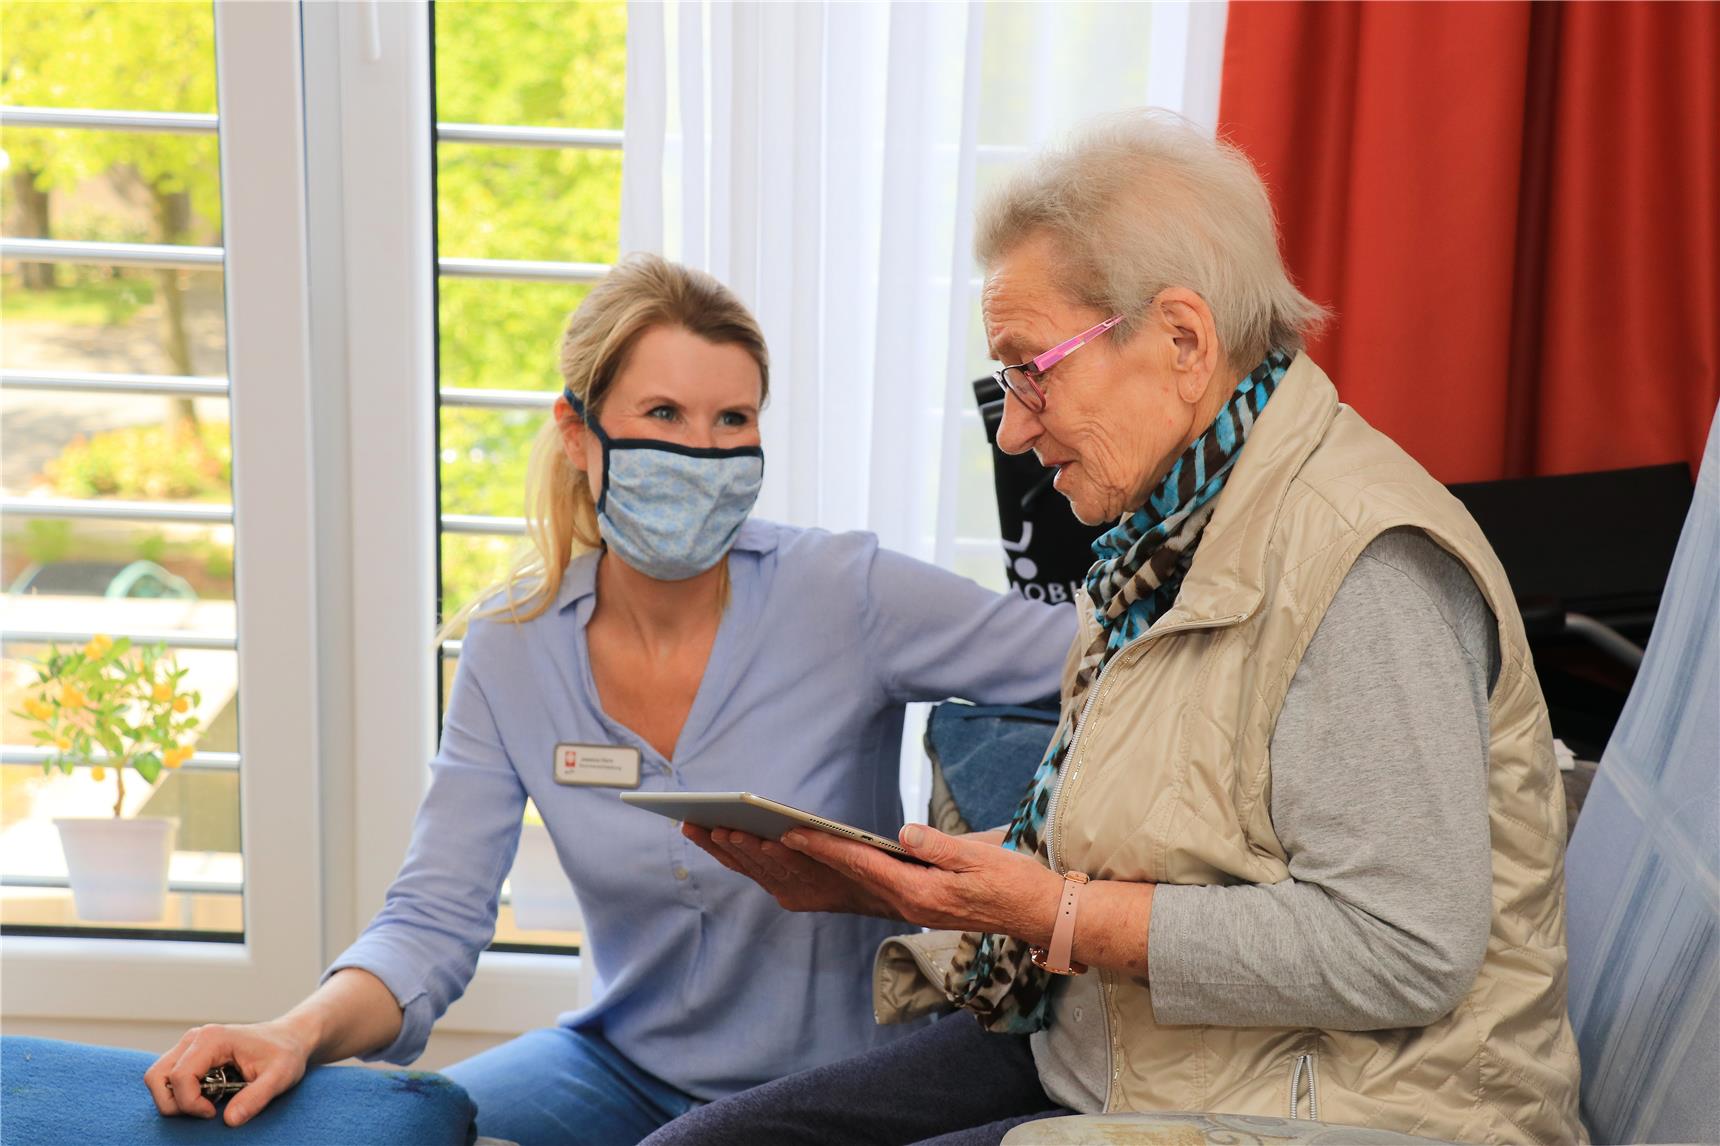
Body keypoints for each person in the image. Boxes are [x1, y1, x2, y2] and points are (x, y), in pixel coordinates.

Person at [652, 110, 1587, 1146]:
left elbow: (1401, 947)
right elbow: (1159, 840)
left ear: (1182, 340)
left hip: (1345, 1110)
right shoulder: (1165, 534)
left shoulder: (1363, 562)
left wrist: (1057, 915)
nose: (1011, 425)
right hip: (1118, 1051)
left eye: (1029, 369)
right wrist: (877, 881)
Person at [143, 255, 1075, 1146]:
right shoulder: (514, 647)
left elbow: (1098, 657)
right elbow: (432, 920)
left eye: (731, 420)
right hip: (613, 1067)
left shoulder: (847, 595)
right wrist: (293, 1033)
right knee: (388, 1128)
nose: (700, 452)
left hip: (839, 1083)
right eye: (663, 413)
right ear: (580, 431)